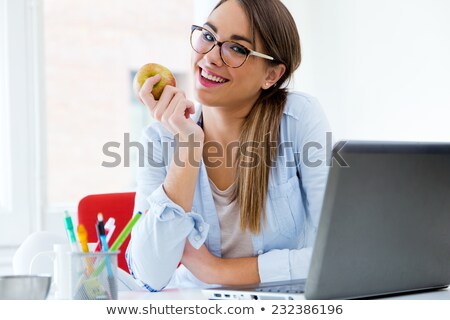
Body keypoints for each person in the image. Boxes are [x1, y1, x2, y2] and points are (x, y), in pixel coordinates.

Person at [126, 0, 331, 291]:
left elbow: (334, 253)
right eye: (208, 36)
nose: (210, 57)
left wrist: (216, 271)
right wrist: (188, 145)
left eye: (237, 48)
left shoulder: (297, 120)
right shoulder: (160, 140)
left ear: (271, 75)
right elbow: (149, 275)